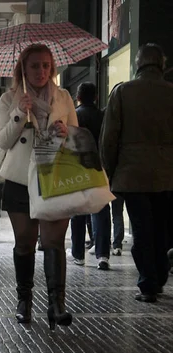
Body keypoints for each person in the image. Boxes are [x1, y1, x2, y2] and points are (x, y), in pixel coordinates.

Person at [0, 44, 78, 329]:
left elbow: (76, 138)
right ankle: (24, 300)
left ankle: (57, 304)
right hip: (20, 179)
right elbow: (3, 141)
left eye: (46, 65)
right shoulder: (9, 99)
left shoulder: (64, 97)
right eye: (34, 66)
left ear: (52, 68)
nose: (41, 71)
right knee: (25, 243)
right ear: (23, 69)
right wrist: (20, 113)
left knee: (54, 241)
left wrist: (67, 134)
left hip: (55, 176)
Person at [101, 43, 173, 303]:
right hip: (167, 174)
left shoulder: (122, 92)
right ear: (161, 64)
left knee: (141, 228)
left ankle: (148, 283)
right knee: (162, 227)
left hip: (133, 174)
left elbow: (109, 138)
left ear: (137, 65)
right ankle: (160, 274)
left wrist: (109, 169)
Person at [67, 82, 110, 270]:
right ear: (95, 97)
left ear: (78, 97)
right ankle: (103, 255)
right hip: (99, 167)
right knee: (101, 209)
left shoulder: (74, 116)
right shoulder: (103, 116)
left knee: (77, 210)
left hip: (78, 168)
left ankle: (78, 254)